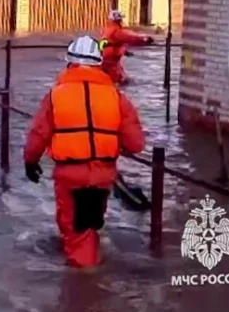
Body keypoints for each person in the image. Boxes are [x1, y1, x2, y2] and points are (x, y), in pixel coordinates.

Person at [22, 35, 146, 268]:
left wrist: (30, 162)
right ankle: (92, 273)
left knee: (75, 232)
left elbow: (38, 134)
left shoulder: (55, 96)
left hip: (70, 176)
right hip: (103, 176)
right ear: (99, 63)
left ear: (69, 63)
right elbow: (136, 144)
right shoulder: (117, 97)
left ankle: (84, 290)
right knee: (89, 225)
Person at [99, 10, 154, 86]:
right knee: (121, 81)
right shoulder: (118, 32)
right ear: (119, 20)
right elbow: (132, 38)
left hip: (106, 61)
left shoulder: (106, 30)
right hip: (112, 64)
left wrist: (125, 52)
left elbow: (110, 44)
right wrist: (146, 39)